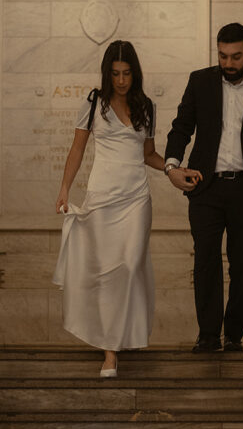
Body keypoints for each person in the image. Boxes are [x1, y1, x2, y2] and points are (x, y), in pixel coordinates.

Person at [53, 39, 199, 377]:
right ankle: (110, 352)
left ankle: (121, 335)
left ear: (135, 73)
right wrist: (64, 188)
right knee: (107, 273)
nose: (121, 80)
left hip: (136, 198)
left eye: (127, 73)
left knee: (131, 267)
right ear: (108, 74)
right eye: (116, 74)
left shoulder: (146, 106)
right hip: (102, 199)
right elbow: (77, 149)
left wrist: (173, 170)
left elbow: (148, 154)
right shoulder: (94, 103)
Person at [164, 22, 243, 353]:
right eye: (222, 56)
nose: (229, 63)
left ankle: (233, 335)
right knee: (205, 259)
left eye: (236, 56)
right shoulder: (200, 82)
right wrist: (172, 167)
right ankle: (208, 335)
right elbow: (181, 128)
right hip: (205, 187)